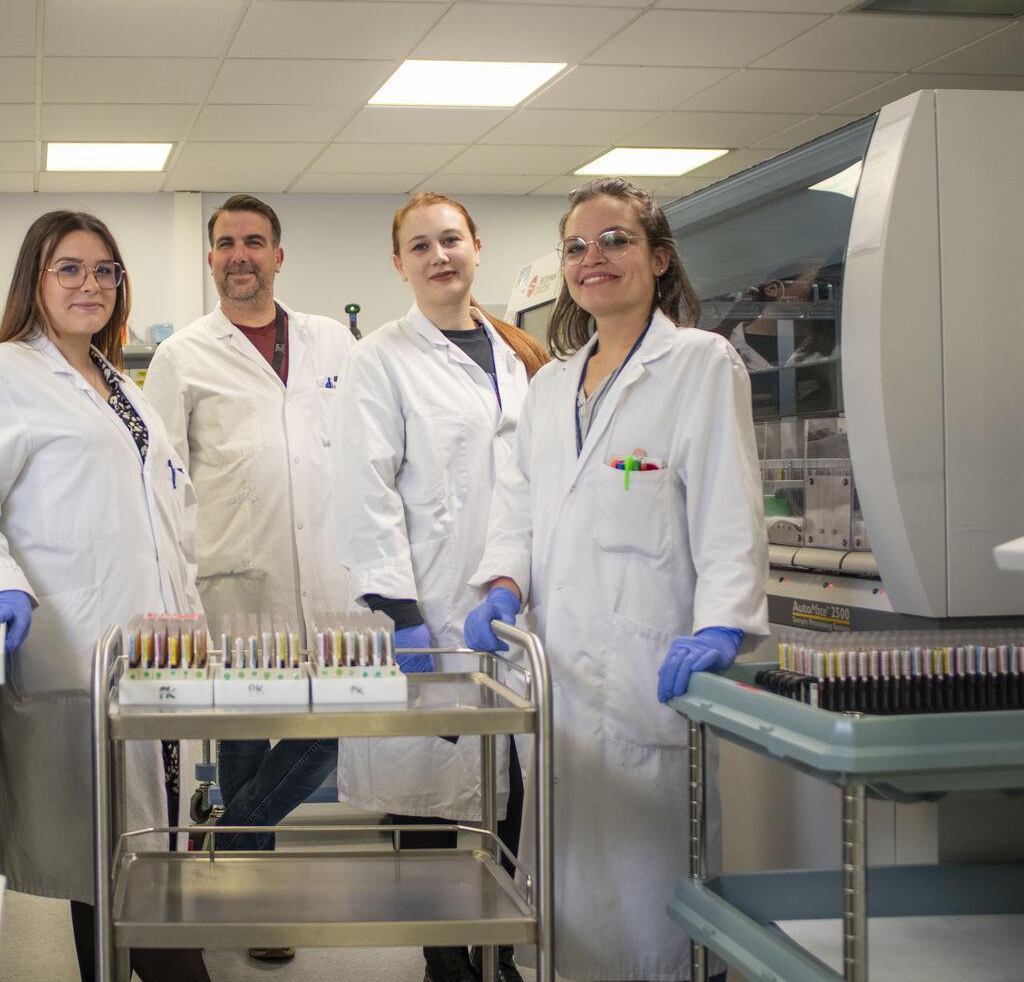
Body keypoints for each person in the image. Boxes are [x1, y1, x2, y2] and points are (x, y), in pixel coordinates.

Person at [465, 177, 767, 982]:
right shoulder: (550, 385)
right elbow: (519, 501)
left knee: (654, 890)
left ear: (659, 258)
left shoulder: (698, 364)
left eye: (615, 240)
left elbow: (728, 505)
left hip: (647, 662)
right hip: (558, 669)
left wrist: (722, 621)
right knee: (568, 886)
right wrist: (504, 582)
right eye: (576, 246)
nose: (591, 258)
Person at [0, 210, 209, 982]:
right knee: (121, 877)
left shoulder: (120, 386)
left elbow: (166, 520)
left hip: (158, 660)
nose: (91, 284)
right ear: (35, 280)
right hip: (77, 653)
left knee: (131, 871)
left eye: (105, 270)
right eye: (70, 268)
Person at [331, 192, 549, 982]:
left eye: (450, 239)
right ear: (400, 264)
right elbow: (365, 490)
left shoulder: (523, 355)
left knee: (515, 779)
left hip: (514, 604)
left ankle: (497, 947)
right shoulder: (380, 359)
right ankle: (444, 954)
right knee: (428, 793)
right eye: (420, 246)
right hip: (426, 605)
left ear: (476, 247)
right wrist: (400, 613)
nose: (439, 256)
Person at [142, 193, 353, 961]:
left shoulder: (332, 340)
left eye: (254, 241)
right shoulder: (182, 355)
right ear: (211, 258)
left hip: (327, 572)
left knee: (337, 726)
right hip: (231, 572)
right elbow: (162, 479)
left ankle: (229, 837)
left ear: (277, 255)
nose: (240, 255)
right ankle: (252, 903)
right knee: (241, 733)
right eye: (227, 242)